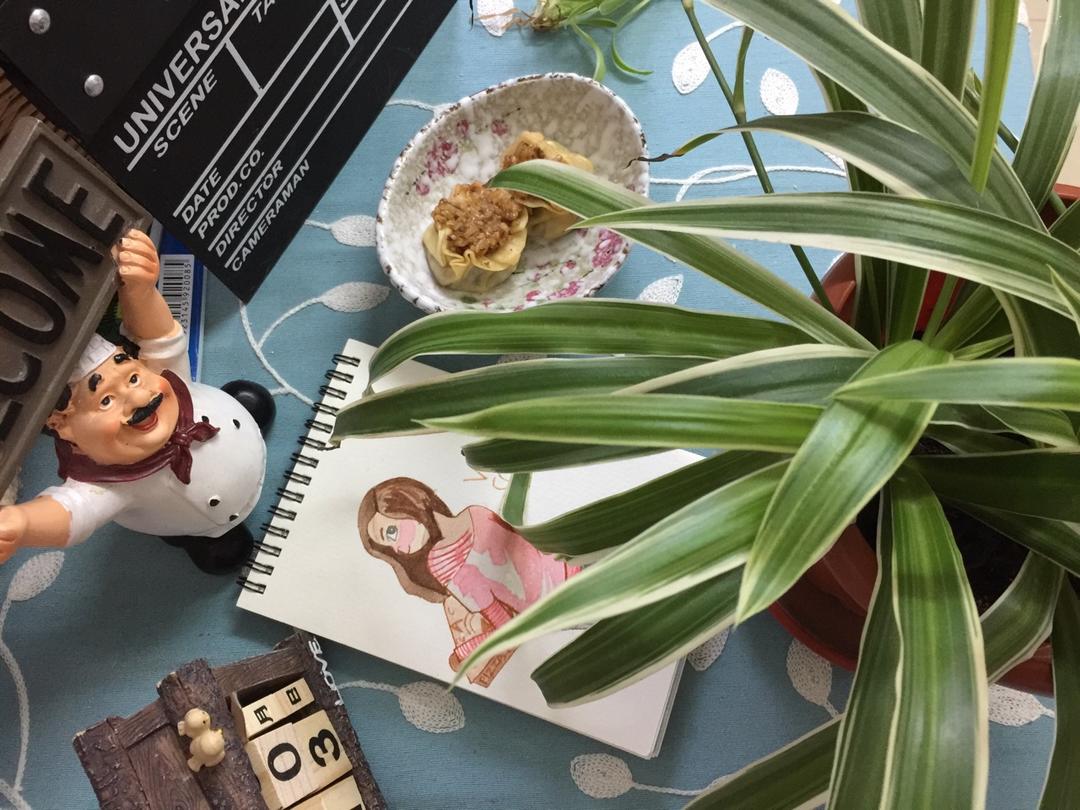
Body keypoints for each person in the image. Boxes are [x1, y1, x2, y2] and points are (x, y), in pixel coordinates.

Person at [0, 230, 273, 573]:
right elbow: (72, 512)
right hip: (198, 517)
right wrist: (24, 523)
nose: (140, 398)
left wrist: (141, 291)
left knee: (250, 401)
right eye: (105, 401)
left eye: (132, 378)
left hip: (233, 423)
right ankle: (209, 536)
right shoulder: (107, 484)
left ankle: (247, 419)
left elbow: (161, 337)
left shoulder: (167, 380)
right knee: (223, 551)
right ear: (63, 427)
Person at [358, 477, 579, 681]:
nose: (397, 548)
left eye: (391, 533)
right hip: (570, 584)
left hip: (566, 595)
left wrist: (464, 652)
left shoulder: (446, 563)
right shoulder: (473, 517)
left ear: (408, 503)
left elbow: (505, 627)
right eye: (389, 547)